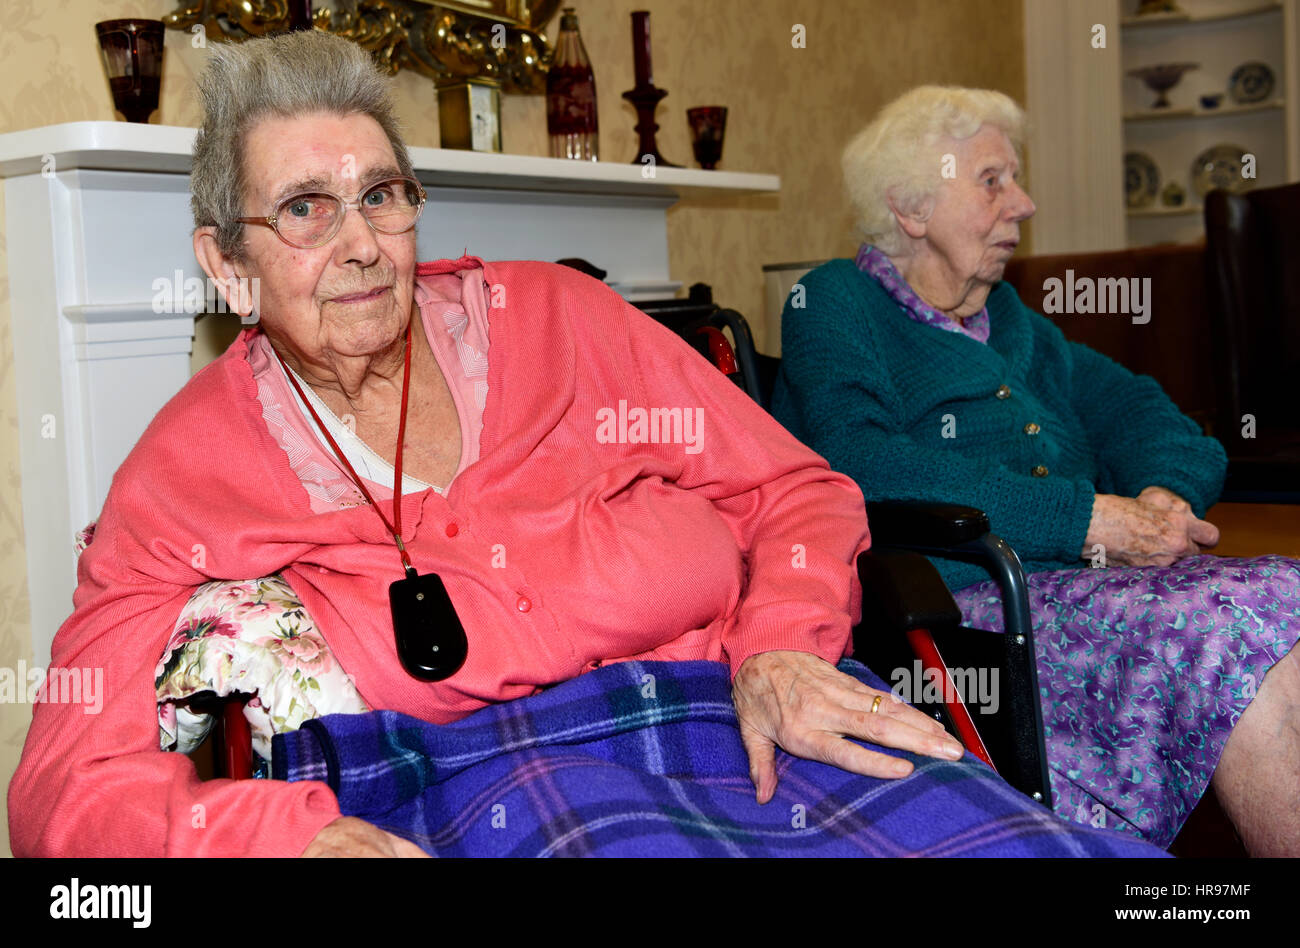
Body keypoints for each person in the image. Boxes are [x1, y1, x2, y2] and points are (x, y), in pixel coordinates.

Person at [8, 37, 1159, 858]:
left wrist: (780, 646)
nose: (359, 244)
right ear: (227, 264)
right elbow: (64, 791)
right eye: (304, 209)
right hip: (476, 776)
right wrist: (268, 841)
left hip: (741, 713)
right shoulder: (185, 467)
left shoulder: (559, 321)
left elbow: (796, 486)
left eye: (385, 196)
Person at [771, 84, 1300, 855]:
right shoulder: (834, 302)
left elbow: (1148, 413)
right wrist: (1086, 520)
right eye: (993, 182)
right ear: (912, 210)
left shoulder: (1013, 323)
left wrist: (1161, 497)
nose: (1023, 203)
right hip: (964, 607)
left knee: (1283, 595)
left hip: (1088, 589)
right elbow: (861, 461)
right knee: (1234, 629)